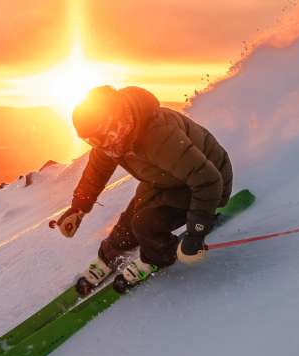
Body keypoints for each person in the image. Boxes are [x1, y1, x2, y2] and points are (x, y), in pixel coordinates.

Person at [54, 85, 233, 296]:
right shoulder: (112, 140)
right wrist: (79, 207)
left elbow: (208, 180)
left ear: (114, 124)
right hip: (165, 179)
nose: (98, 145)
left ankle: (159, 257)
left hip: (204, 185)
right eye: (90, 140)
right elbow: (97, 170)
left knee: (145, 223)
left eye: (99, 138)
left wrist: (196, 234)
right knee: (130, 218)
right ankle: (109, 255)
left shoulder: (158, 136)